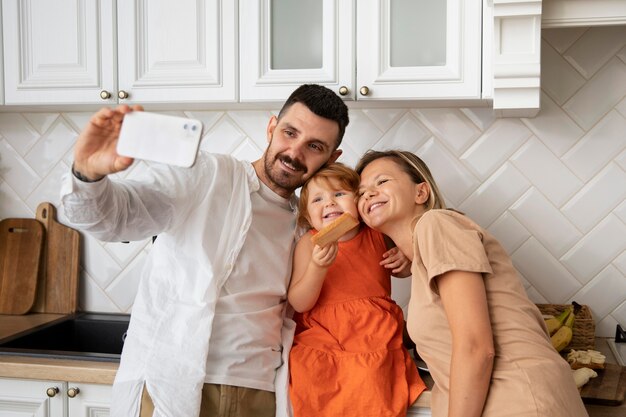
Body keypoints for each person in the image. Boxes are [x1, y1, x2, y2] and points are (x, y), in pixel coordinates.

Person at [60, 84, 349, 417]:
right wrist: (87, 173)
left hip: (258, 391)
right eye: (289, 132)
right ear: (271, 127)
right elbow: (114, 219)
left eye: (314, 146)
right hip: (171, 382)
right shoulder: (206, 175)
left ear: (332, 157)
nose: (294, 153)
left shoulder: (306, 222)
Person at [355, 150, 589, 417]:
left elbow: (476, 348)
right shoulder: (427, 251)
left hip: (520, 401)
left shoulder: (436, 223)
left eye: (381, 181)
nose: (369, 194)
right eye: (361, 193)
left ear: (421, 193)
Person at [287, 162, 426, 417]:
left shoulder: (376, 233)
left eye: (339, 194)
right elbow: (299, 302)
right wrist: (317, 267)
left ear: (359, 204)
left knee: (371, 376)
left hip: (372, 329)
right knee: (306, 367)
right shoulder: (309, 243)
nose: (329, 203)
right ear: (307, 216)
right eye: (318, 199)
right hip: (323, 330)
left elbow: (412, 263)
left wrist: (406, 259)